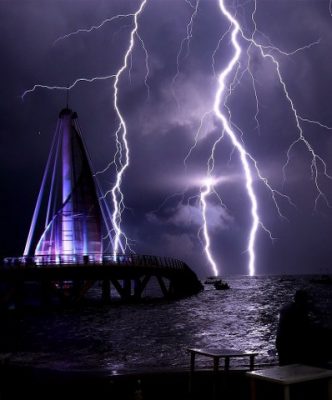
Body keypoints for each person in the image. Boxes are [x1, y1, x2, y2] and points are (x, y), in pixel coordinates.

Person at [276, 289, 314, 366]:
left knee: (284, 365)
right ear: (303, 299)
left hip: (281, 341)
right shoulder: (299, 310)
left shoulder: (286, 308)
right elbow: (303, 328)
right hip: (290, 342)